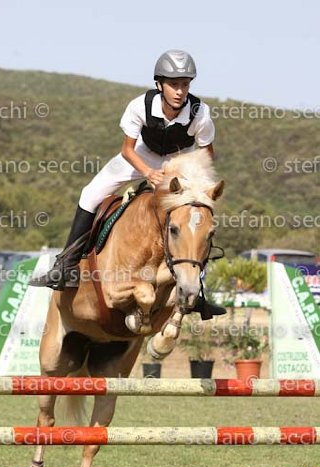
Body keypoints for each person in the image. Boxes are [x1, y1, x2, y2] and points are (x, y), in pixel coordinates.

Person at [30, 49, 226, 319]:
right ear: (159, 84)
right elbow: (127, 150)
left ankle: (199, 292)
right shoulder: (140, 106)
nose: (180, 91)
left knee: (196, 215)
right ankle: (66, 265)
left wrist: (187, 176)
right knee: (90, 193)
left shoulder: (200, 112)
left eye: (185, 84)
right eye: (173, 84)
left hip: (179, 160)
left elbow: (207, 154)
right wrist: (148, 172)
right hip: (141, 156)